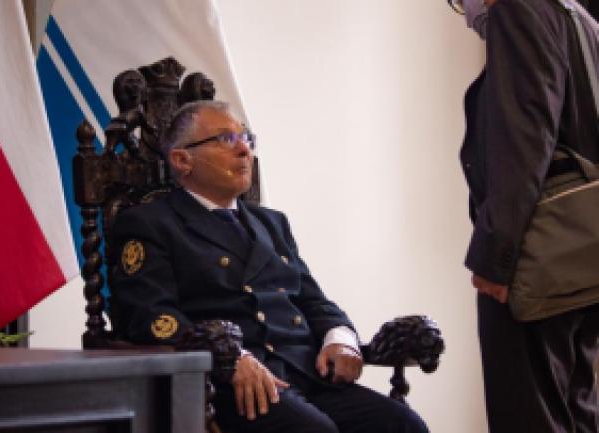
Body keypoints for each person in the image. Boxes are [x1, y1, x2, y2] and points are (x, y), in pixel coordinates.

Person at [109, 100, 429, 433]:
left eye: (247, 138)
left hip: (307, 373)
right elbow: (151, 317)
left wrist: (341, 338)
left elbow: (313, 301)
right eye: (226, 139)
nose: (244, 150)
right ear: (182, 160)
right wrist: (229, 357)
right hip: (230, 385)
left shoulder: (272, 224)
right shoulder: (151, 223)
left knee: (402, 425)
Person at [453, 0, 599, 431]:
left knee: (527, 414)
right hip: (585, 249)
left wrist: (495, 257)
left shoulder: (519, 10)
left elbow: (524, 140)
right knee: (578, 408)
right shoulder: (580, 18)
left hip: (534, 256)